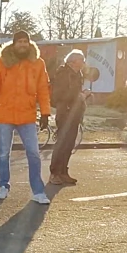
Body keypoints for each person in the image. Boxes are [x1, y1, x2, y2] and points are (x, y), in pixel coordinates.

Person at [0, 30, 52, 205]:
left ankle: (38, 191)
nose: (23, 45)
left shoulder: (38, 63)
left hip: (27, 115)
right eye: (19, 41)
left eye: (25, 41)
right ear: (13, 44)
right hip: (5, 114)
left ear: (29, 43)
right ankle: (3, 186)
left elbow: (43, 89)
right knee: (3, 154)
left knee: (33, 153)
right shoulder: (3, 62)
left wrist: (46, 113)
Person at [49, 49, 89, 185]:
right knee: (62, 143)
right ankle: (54, 173)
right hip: (65, 112)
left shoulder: (78, 74)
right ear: (73, 61)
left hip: (75, 112)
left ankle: (63, 172)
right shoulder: (63, 73)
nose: (83, 62)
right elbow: (60, 94)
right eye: (81, 60)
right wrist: (80, 96)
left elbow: (74, 93)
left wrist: (82, 95)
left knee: (69, 143)